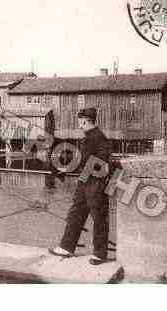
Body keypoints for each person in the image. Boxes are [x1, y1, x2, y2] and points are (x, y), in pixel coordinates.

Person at [48, 107, 111, 265]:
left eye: (80, 122)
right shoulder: (92, 137)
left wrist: (65, 169)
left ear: (84, 120)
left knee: (99, 218)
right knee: (76, 212)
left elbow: (91, 161)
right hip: (86, 180)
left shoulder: (95, 138)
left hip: (96, 182)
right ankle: (66, 247)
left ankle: (100, 254)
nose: (79, 125)